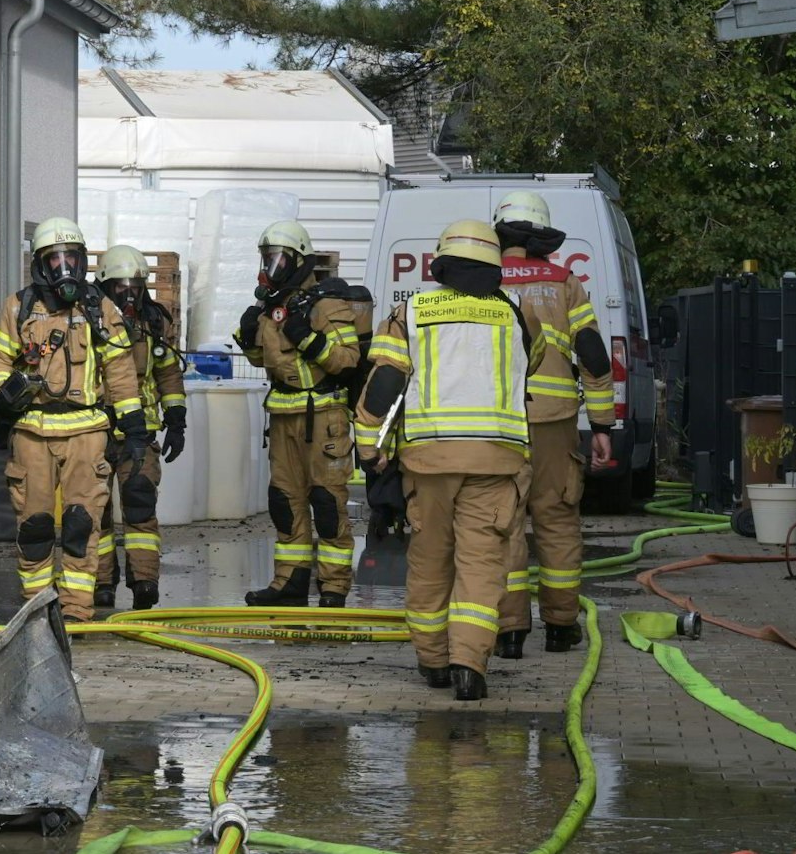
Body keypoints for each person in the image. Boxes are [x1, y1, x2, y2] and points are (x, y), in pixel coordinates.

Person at [355, 219, 541, 700]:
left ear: (440, 261)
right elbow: (532, 362)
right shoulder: (518, 313)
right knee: (482, 563)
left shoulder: (411, 312)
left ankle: (433, 661)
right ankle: (469, 666)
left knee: (431, 559)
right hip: (496, 460)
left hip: (429, 460)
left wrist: (368, 441)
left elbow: (384, 383)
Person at [0, 218, 147, 624]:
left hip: (86, 433)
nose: (65, 270)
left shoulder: (99, 308)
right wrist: (8, 391)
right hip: (32, 431)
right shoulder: (19, 307)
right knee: (35, 527)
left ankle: (76, 611)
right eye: (55, 260)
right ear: (41, 264)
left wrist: (134, 427)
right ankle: (36, 612)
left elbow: (121, 370)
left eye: (72, 259)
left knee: (81, 525)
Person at [489, 191, 616, 658]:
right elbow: (594, 356)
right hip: (555, 423)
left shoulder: (482, 279)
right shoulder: (565, 282)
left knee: (503, 522)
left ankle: (509, 631)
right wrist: (602, 424)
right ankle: (561, 626)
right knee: (557, 519)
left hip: (499, 423)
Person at [236, 220, 364, 609]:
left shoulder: (328, 306)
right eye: (266, 258)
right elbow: (265, 362)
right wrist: (247, 338)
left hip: (323, 416)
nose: (269, 266)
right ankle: (289, 582)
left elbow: (347, 359)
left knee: (326, 504)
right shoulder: (270, 309)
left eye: (275, 258)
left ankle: (334, 587)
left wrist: (307, 337)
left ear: (297, 261)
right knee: (284, 502)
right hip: (283, 416)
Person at [93, 245, 187, 612]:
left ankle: (144, 582)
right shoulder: (88, 318)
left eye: (136, 285)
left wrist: (176, 419)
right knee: (94, 511)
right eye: (121, 286)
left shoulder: (154, 321)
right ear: (104, 285)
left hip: (141, 432)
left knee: (140, 505)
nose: (129, 293)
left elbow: (168, 373)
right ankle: (101, 583)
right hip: (96, 429)